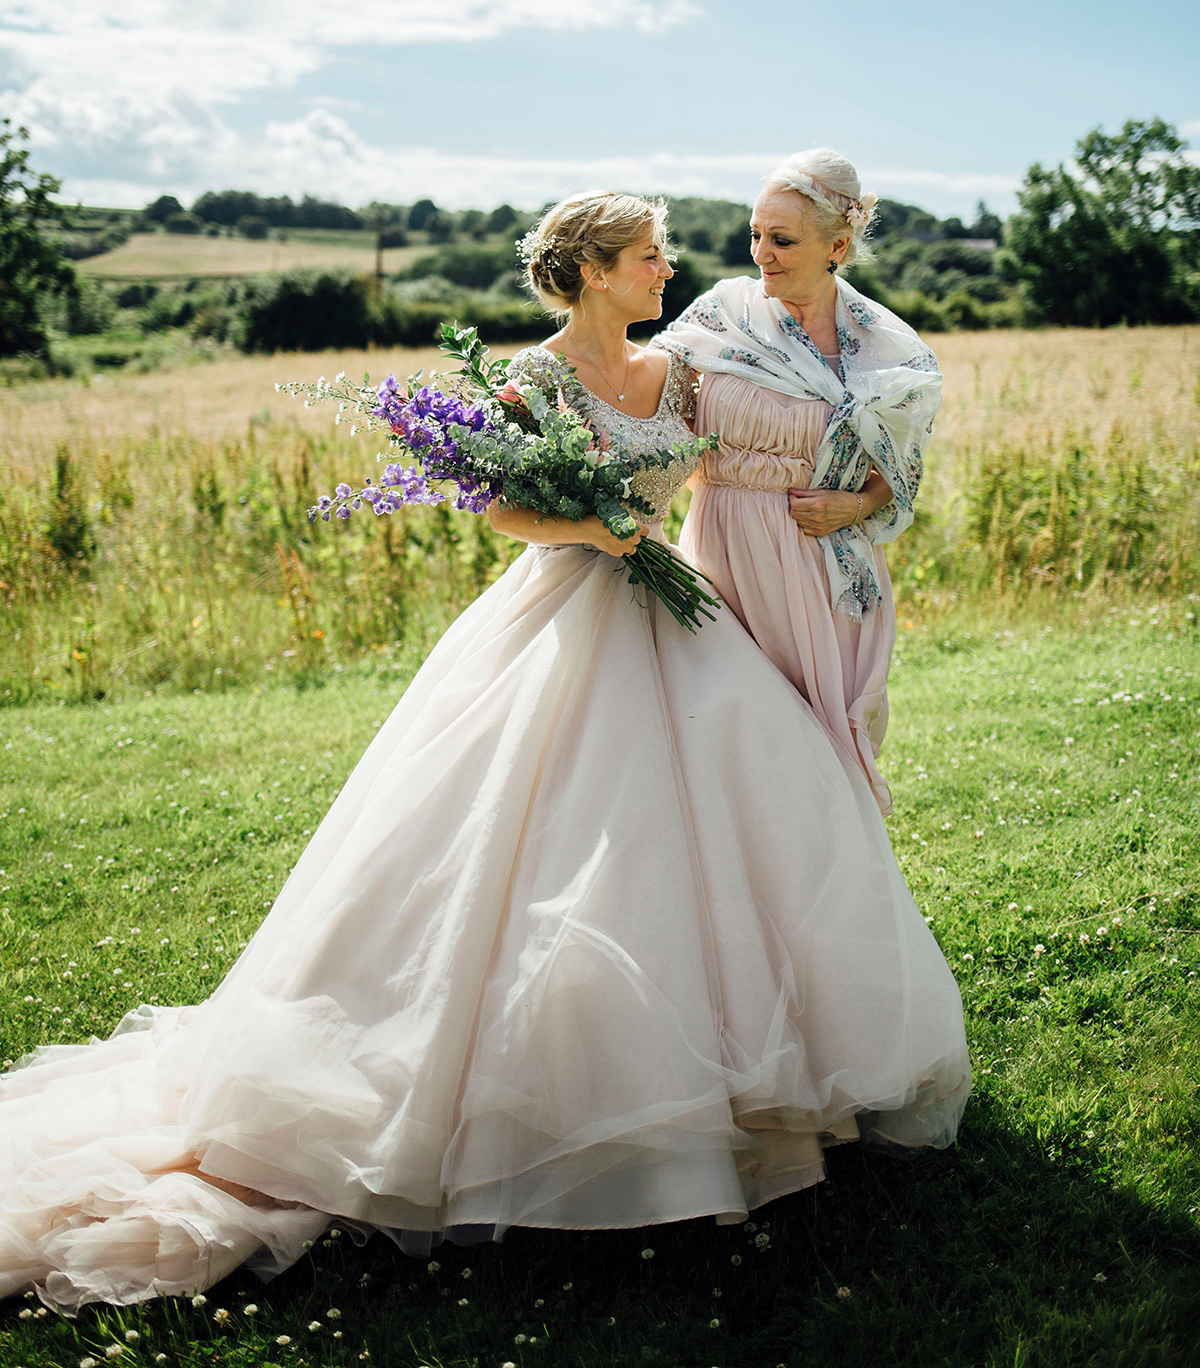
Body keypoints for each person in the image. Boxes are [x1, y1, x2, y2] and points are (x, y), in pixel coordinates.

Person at [0, 191, 968, 1316]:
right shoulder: (530, 381)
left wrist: (855, 497)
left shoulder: (686, 370)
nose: (672, 273)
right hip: (565, 614)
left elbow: (756, 437)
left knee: (758, 803)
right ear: (597, 272)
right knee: (538, 840)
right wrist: (589, 530)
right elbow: (499, 507)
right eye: (650, 259)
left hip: (682, 615)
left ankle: (765, 1080)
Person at [659, 150, 941, 815]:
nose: (761, 253)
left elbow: (900, 471)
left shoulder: (887, 351)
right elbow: (640, 392)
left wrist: (858, 502)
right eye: (755, 234)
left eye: (781, 240)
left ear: (837, 246)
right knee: (734, 737)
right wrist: (550, 390)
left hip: (824, 567)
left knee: (819, 745)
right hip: (724, 556)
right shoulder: (722, 314)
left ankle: (836, 895)